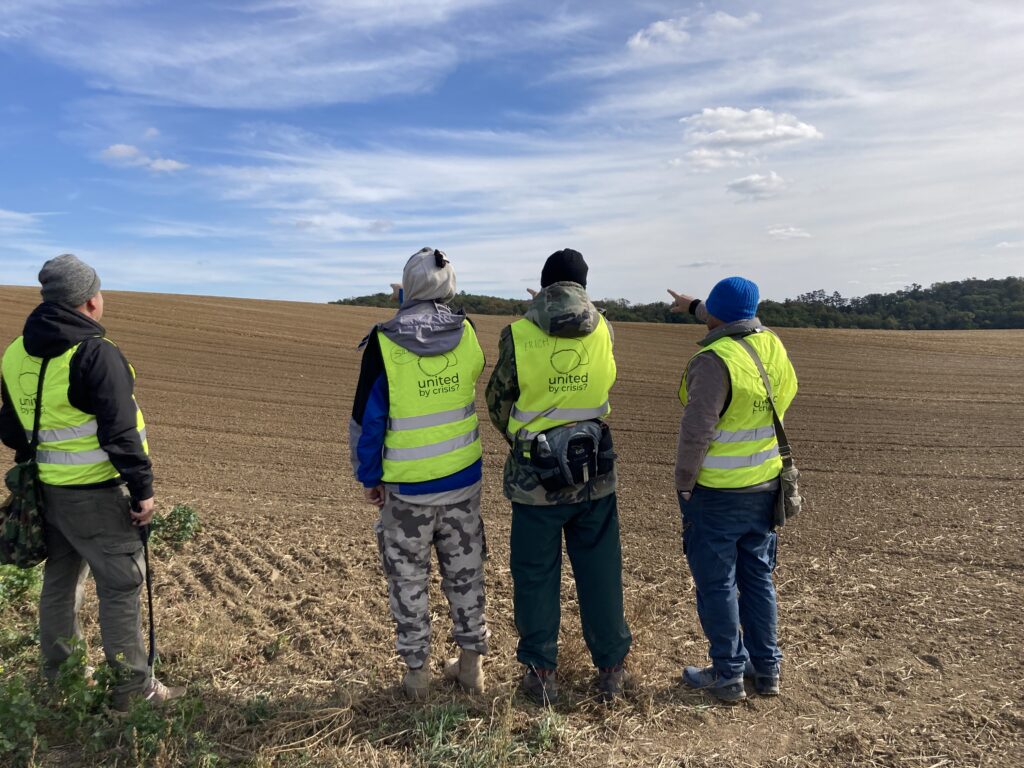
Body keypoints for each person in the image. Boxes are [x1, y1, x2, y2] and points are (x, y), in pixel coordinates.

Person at [0, 254, 183, 710]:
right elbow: (120, 433)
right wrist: (143, 490)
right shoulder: (95, 353)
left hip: (47, 492)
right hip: (99, 494)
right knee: (121, 586)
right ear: (89, 302)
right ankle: (131, 692)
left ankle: (59, 681)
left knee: (60, 582)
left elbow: (9, 429)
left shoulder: (16, 351)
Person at [486, 248, 632, 705]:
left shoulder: (519, 333)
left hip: (535, 482)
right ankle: (611, 671)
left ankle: (539, 674)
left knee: (534, 577)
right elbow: (606, 381)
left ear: (544, 284)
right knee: (602, 573)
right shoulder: (605, 328)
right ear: (583, 286)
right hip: (595, 476)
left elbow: (498, 403)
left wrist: (523, 439)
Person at [350, 247, 489, 700]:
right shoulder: (468, 333)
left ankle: (416, 677)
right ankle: (471, 668)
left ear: (407, 288)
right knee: (466, 574)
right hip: (463, 483)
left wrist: (369, 477)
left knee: (408, 581)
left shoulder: (384, 342)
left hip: (407, 492)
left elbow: (367, 422)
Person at [669, 277, 798, 703]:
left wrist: (684, 485)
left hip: (718, 494)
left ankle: (727, 674)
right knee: (758, 579)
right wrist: (693, 308)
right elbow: (786, 394)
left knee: (718, 584)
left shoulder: (713, 359)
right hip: (765, 487)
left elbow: (696, 431)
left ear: (717, 314)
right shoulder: (773, 346)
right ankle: (767, 668)